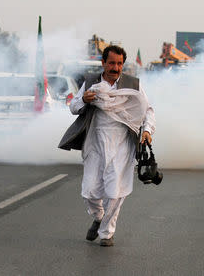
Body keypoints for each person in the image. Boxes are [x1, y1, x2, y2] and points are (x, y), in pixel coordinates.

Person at [58, 45, 155, 246]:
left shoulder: (132, 84)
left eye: (119, 63)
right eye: (111, 63)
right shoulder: (91, 83)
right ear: (103, 63)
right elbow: (74, 108)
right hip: (95, 142)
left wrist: (147, 130)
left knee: (115, 191)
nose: (115, 67)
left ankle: (106, 234)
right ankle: (98, 216)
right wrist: (84, 100)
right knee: (90, 191)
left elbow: (147, 110)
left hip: (122, 144)